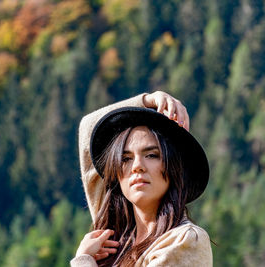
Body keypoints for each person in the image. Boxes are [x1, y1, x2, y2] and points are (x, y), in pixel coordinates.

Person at [71, 91, 213, 266]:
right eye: (125, 159)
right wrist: (146, 101)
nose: (137, 166)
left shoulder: (185, 240)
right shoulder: (113, 241)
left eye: (152, 155)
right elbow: (88, 127)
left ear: (174, 166)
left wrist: (83, 260)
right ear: (115, 174)